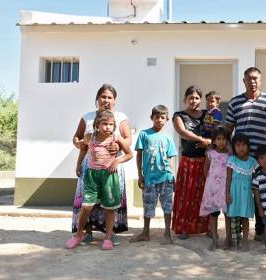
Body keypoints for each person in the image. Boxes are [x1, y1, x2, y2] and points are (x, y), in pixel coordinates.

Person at [71, 84, 131, 246]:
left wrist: (118, 146)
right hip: (90, 166)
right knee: (88, 201)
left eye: (109, 97)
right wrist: (81, 145)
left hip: (111, 167)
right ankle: (87, 233)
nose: (106, 100)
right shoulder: (87, 117)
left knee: (110, 200)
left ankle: (110, 233)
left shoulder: (120, 117)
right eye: (103, 97)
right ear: (97, 99)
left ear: (115, 100)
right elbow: (77, 138)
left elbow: (127, 139)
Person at [226, 67, 266, 243]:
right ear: (244, 81)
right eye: (249, 78)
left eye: (255, 78)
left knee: (262, 192)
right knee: (241, 192)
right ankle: (238, 233)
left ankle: (260, 233)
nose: (252, 81)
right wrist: (231, 153)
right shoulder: (235, 103)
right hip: (241, 159)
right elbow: (228, 130)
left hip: (262, 157)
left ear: (260, 80)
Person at [132, 105, 178, 245]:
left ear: (167, 120)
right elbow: (139, 155)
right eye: (157, 117)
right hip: (149, 179)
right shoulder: (144, 134)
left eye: (162, 117)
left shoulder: (168, 138)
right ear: (152, 118)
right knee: (148, 205)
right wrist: (140, 175)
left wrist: (173, 175)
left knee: (167, 206)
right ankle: (145, 232)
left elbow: (171, 158)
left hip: (166, 178)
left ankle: (167, 233)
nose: (159, 120)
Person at [172, 86, 211, 238]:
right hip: (188, 162)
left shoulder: (208, 115)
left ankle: (207, 228)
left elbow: (216, 132)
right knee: (185, 195)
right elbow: (183, 132)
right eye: (190, 98)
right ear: (185, 100)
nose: (193, 101)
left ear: (200, 100)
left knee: (204, 194)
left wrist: (210, 142)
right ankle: (182, 228)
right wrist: (202, 139)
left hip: (206, 161)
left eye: (196, 98)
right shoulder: (179, 116)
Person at [199, 127, 231, 250]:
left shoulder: (230, 155)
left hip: (225, 188)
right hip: (212, 188)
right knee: (213, 214)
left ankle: (228, 239)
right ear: (214, 141)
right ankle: (215, 239)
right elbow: (205, 169)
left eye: (224, 139)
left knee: (227, 214)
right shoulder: (210, 153)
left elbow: (231, 170)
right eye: (219, 139)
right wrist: (209, 183)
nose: (221, 141)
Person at [226, 134, 258, 250]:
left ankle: (245, 240)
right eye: (238, 145)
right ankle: (234, 241)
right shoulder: (232, 160)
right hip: (234, 191)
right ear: (234, 147)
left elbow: (255, 180)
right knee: (233, 216)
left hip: (247, 193)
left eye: (244, 145)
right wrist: (227, 193)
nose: (241, 148)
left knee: (245, 217)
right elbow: (228, 177)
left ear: (248, 147)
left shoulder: (252, 161)